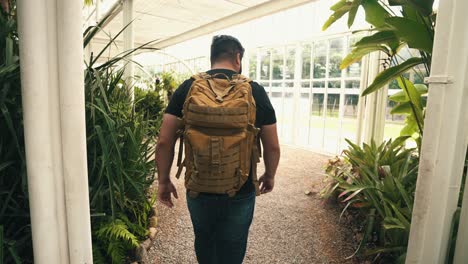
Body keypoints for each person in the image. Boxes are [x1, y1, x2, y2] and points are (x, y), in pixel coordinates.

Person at [155, 35, 280, 264]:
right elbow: (272, 145)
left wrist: (164, 180)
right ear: (238, 57)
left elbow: (164, 141)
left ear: (212, 58)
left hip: (199, 187)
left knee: (204, 240)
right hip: (240, 189)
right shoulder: (255, 91)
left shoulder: (188, 87)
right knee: (233, 245)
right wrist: (269, 175)